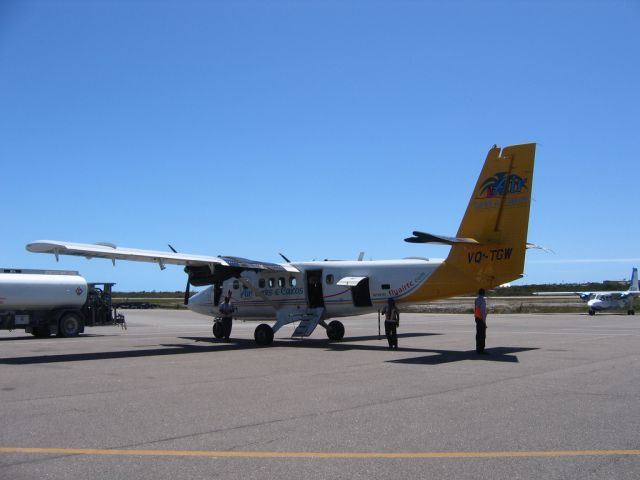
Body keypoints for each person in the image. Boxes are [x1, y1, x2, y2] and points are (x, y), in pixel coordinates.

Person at [474, 288, 488, 354]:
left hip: (477, 318)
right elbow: (483, 311)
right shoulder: (482, 300)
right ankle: (481, 350)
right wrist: (484, 321)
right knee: (482, 335)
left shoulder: (476, 299)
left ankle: (478, 348)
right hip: (481, 319)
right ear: (483, 293)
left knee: (478, 334)